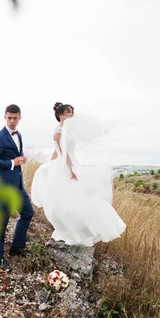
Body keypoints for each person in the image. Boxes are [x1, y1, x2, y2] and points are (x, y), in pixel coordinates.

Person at [31, 102, 126, 246]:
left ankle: (82, 231)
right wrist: (68, 169)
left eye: (72, 112)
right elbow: (60, 152)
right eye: (68, 112)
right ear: (61, 115)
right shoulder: (58, 131)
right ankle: (68, 231)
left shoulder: (69, 131)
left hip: (73, 163)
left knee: (80, 198)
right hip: (65, 166)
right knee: (65, 200)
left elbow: (59, 149)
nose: (71, 114)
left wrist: (71, 166)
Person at [0, 104, 34, 272]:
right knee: (3, 220)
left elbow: (15, 154)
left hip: (18, 184)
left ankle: (16, 247)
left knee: (28, 213)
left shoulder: (19, 135)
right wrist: (12, 163)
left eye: (15, 118)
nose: (12, 121)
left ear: (20, 118)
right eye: (9, 118)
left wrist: (21, 159)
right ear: (5, 117)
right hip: (4, 185)